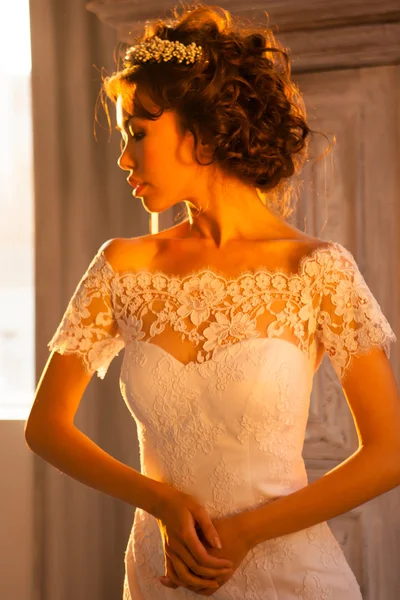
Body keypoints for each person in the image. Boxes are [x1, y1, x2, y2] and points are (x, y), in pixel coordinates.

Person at [26, 3, 400, 599]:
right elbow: (46, 427)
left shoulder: (317, 270)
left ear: (200, 129)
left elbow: (389, 454)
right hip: (160, 572)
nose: (124, 158)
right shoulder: (124, 266)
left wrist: (247, 533)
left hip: (289, 575)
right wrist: (164, 502)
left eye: (138, 134)